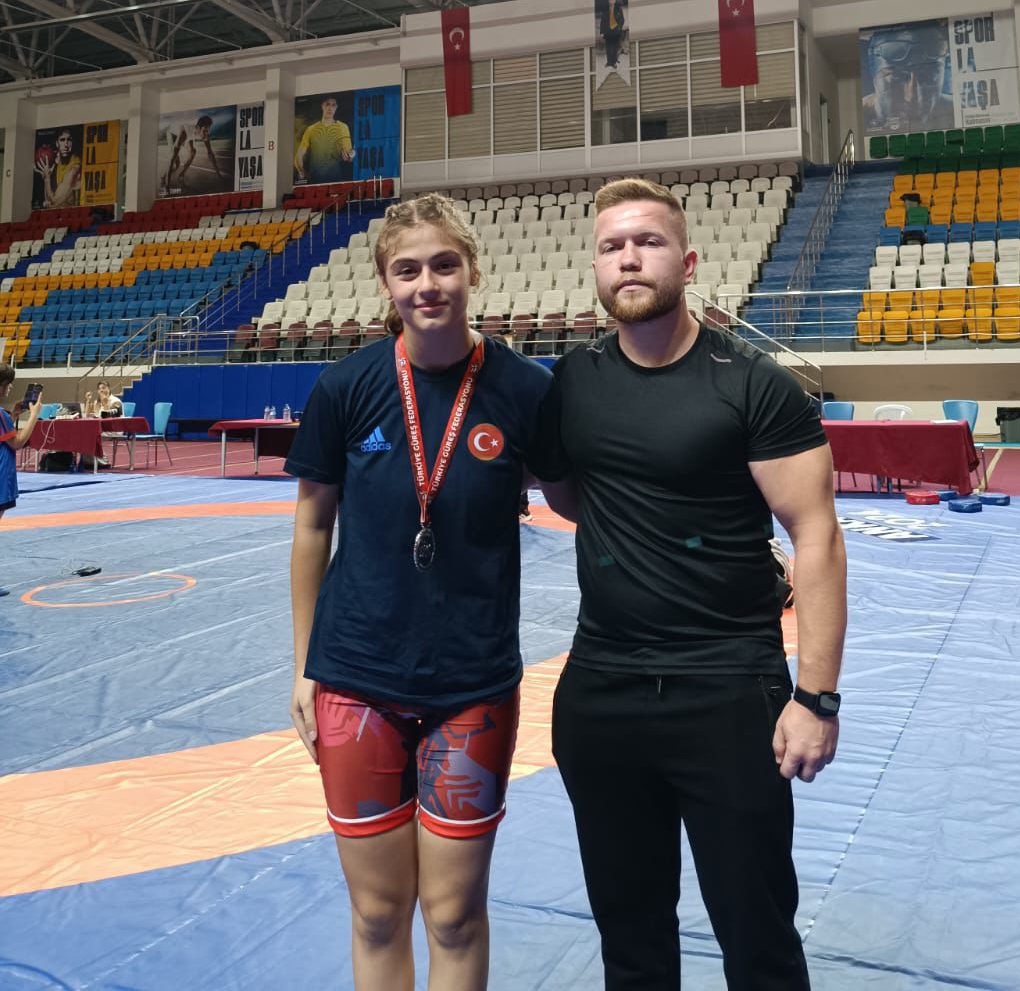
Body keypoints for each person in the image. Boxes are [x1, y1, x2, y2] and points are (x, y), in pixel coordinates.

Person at [540, 177, 846, 991]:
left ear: (688, 261)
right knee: (630, 937)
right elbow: (568, 494)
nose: (629, 259)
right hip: (603, 693)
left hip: (728, 692)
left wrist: (816, 698)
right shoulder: (574, 381)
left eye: (648, 242)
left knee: (757, 935)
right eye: (612, 246)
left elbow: (816, 536)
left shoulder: (751, 382)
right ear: (596, 267)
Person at [284, 191, 561, 991]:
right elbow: (312, 528)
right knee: (377, 913)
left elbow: (582, 498)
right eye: (407, 270)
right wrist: (304, 665)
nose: (427, 284)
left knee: (454, 915)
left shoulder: (524, 389)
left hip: (470, 686)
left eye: (444, 265)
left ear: (473, 270)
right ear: (385, 283)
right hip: (354, 680)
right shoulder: (346, 386)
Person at [861, 25, 953, 133]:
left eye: (928, 77)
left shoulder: (954, 110)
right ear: (874, 77)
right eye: (897, 77)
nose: (912, 96)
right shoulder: (857, 116)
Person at [0, 366, 43, 595]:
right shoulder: (0, 414)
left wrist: (14, 416)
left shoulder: (3, 415)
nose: (10, 388)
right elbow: (16, 442)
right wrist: (34, 415)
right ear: (2, 386)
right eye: (9, 385)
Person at [295, 95, 356, 185]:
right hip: (314, 181)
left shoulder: (343, 127)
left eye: (333, 105)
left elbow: (349, 156)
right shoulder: (310, 129)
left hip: (336, 180)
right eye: (327, 104)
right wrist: (301, 171)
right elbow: (298, 155)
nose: (330, 108)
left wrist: (350, 156)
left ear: (336, 107)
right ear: (322, 106)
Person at [162, 115, 220, 194]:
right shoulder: (185, 133)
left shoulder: (205, 133)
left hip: (187, 134)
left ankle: (181, 176)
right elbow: (171, 161)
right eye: (205, 131)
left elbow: (210, 153)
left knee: (193, 152)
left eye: (208, 130)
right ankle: (164, 178)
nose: (207, 133)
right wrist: (167, 188)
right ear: (198, 128)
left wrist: (218, 173)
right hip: (173, 134)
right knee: (176, 164)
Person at [38, 128, 82, 209]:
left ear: (72, 143)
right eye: (62, 140)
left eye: (69, 140)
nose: (66, 144)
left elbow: (54, 202)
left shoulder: (75, 168)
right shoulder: (58, 163)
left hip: (71, 212)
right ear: (57, 143)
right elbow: (48, 200)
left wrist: (47, 179)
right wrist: (46, 177)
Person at [599, 0, 626, 72]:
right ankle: (609, 62)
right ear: (608, 1)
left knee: (614, 47)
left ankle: (613, 62)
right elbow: (602, 21)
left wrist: (619, 28)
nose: (611, 1)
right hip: (607, 30)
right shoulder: (606, 10)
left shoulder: (618, 9)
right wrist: (602, 32)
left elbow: (622, 19)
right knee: (608, 47)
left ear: (615, 1)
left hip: (615, 29)